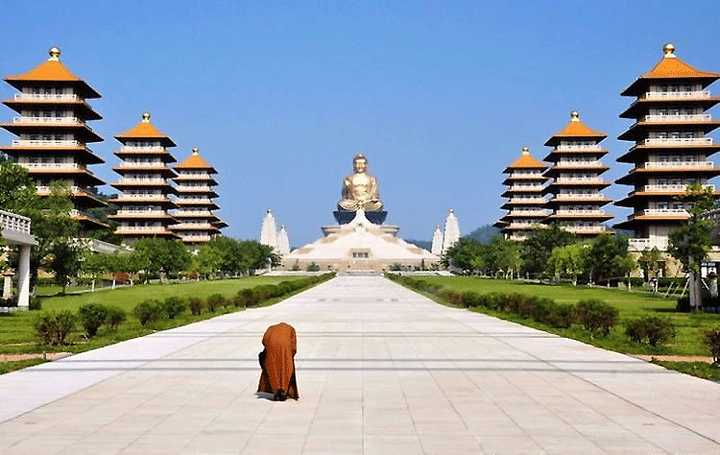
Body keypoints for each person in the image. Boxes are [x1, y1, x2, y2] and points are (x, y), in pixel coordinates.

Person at [258, 322, 299, 401]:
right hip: (285, 349)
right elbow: (293, 348)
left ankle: (276, 390)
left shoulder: (271, 328)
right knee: (286, 368)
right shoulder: (291, 329)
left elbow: (264, 340)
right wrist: (290, 357)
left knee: (272, 368)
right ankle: (284, 390)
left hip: (272, 348)